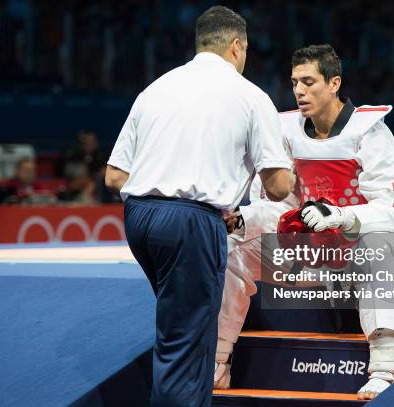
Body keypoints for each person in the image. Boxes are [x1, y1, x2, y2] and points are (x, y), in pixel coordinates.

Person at [104, 6, 294, 407]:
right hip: (190, 223)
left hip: (139, 219)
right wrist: (297, 176)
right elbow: (277, 188)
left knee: (185, 327)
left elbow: (114, 177)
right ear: (237, 46)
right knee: (185, 342)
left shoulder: (155, 89)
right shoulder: (250, 96)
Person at [214, 44, 394, 401]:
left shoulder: (369, 131)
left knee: (383, 244)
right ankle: (217, 360)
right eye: (294, 83)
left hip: (359, 251)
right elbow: (278, 206)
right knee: (233, 250)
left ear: (334, 83)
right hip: (312, 253)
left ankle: (384, 369)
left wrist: (342, 215)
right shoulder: (285, 128)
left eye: (309, 81)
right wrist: (245, 218)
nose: (299, 91)